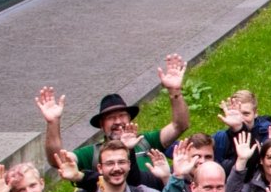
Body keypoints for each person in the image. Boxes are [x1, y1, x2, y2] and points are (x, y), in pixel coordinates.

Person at [37, 54, 192, 173]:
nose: (118, 121)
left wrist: (174, 91)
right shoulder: (91, 154)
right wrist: (53, 122)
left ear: (130, 119)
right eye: (111, 118)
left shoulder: (146, 143)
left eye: (122, 116)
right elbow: (57, 160)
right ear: (102, 126)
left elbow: (180, 125)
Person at [211, 90, 271, 170]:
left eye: (246, 114)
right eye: (235, 113)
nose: (240, 119)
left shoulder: (269, 134)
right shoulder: (220, 138)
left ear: (255, 113)